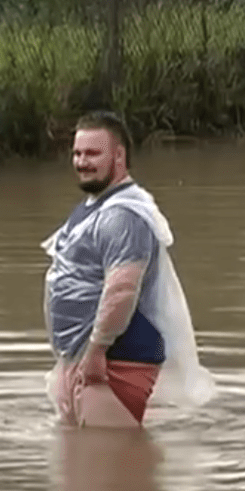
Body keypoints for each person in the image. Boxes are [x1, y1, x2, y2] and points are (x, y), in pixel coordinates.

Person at [41, 110, 215, 428]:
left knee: (108, 457)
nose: (81, 162)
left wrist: (96, 352)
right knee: (83, 463)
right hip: (87, 355)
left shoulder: (125, 216)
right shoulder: (96, 206)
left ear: (118, 156)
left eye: (93, 153)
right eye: (77, 153)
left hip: (114, 357)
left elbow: (122, 290)